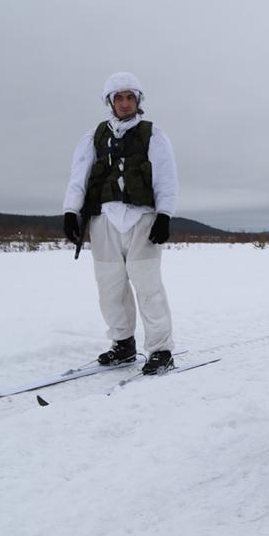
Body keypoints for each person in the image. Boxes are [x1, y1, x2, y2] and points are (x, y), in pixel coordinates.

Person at [62, 71, 178, 375]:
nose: (125, 103)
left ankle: (161, 350)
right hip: (104, 221)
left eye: (130, 97)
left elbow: (166, 178)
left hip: (142, 220)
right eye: (119, 98)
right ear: (110, 101)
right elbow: (79, 176)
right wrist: (70, 211)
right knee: (110, 287)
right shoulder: (94, 136)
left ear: (137, 100)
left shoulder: (154, 134)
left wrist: (164, 215)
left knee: (148, 286)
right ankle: (123, 344)